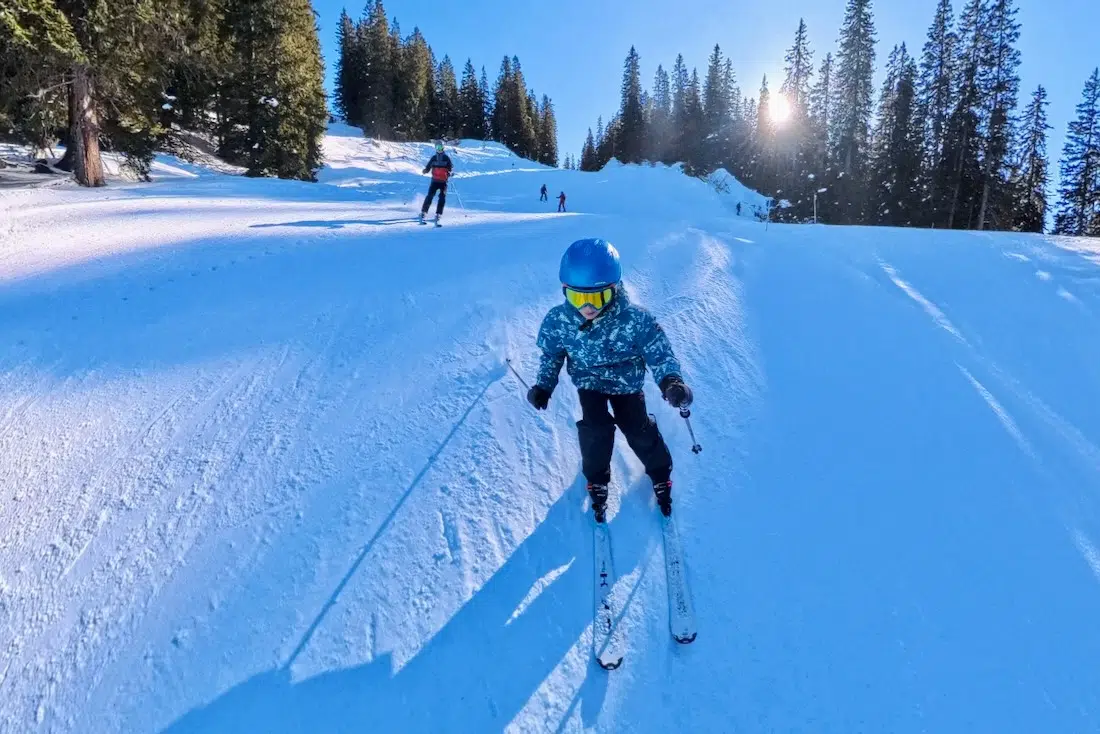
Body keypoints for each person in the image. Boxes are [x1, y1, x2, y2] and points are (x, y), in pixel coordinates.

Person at [526, 238, 693, 522]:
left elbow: (659, 353)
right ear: (565, 290)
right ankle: (596, 478)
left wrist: (671, 382)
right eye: (577, 298)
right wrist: (544, 385)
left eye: (598, 298)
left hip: (627, 385)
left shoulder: (635, 320)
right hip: (589, 383)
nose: (587, 307)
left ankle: (660, 472)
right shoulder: (558, 321)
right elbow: (552, 355)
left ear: (614, 289)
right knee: (595, 430)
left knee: (637, 428)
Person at [420, 141, 453, 224]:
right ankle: (424, 211)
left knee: (442, 197)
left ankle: (438, 213)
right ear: (435, 148)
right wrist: (425, 170)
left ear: (443, 147)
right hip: (434, 181)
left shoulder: (446, 158)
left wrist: (450, 173)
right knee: (430, 196)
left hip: (443, 181)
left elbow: (450, 168)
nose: (439, 149)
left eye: (440, 147)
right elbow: (428, 167)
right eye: (437, 147)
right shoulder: (434, 158)